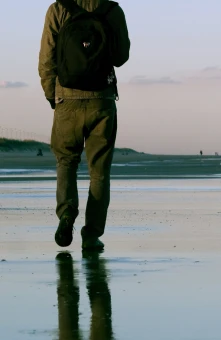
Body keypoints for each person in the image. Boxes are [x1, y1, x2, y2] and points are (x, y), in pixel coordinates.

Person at [39, 0, 130, 251]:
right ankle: (91, 235)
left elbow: (46, 59)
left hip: (66, 98)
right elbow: (122, 57)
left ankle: (67, 214)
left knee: (66, 161)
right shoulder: (112, 10)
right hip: (102, 100)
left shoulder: (58, 9)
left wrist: (52, 95)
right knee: (99, 171)